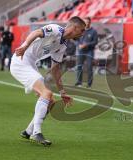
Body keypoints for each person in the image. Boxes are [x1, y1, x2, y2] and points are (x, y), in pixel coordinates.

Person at [10, 16, 86, 146]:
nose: (83, 33)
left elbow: (55, 69)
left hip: (30, 64)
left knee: (50, 101)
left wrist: (62, 92)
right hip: (21, 61)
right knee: (47, 93)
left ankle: (28, 131)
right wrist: (25, 46)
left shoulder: (63, 45)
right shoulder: (56, 29)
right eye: (82, 30)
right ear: (74, 27)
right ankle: (36, 133)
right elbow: (36, 33)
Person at [75, 17, 98, 88]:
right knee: (79, 67)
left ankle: (89, 84)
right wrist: (78, 45)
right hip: (81, 51)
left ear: (90, 22)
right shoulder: (80, 30)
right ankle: (79, 83)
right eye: (85, 22)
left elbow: (95, 42)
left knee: (89, 67)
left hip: (89, 51)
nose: (86, 23)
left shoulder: (93, 31)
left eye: (87, 22)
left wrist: (86, 45)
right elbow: (76, 39)